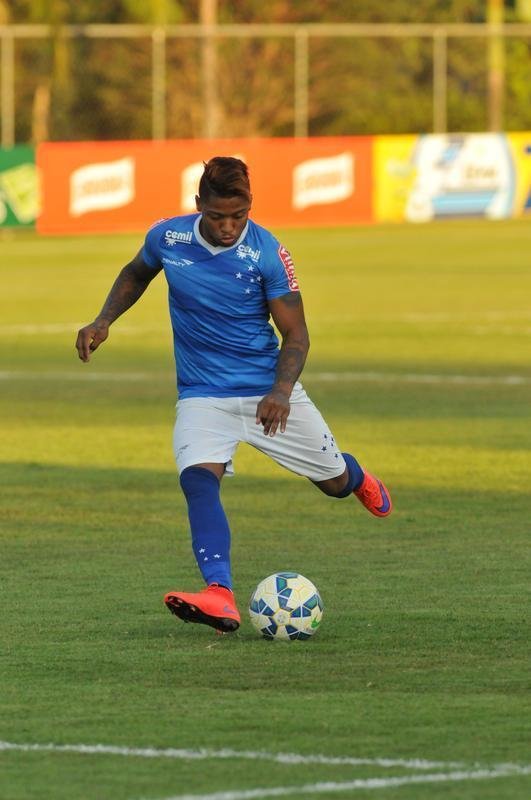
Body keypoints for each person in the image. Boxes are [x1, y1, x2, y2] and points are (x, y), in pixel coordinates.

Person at [76, 156, 392, 635]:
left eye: (238, 216)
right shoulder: (169, 237)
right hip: (202, 394)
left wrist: (281, 392)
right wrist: (103, 319)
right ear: (198, 203)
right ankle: (219, 594)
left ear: (250, 207)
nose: (228, 227)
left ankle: (355, 474)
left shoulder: (267, 253)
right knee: (198, 480)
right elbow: (137, 272)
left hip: (269, 393)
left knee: (332, 484)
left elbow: (297, 336)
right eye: (218, 216)